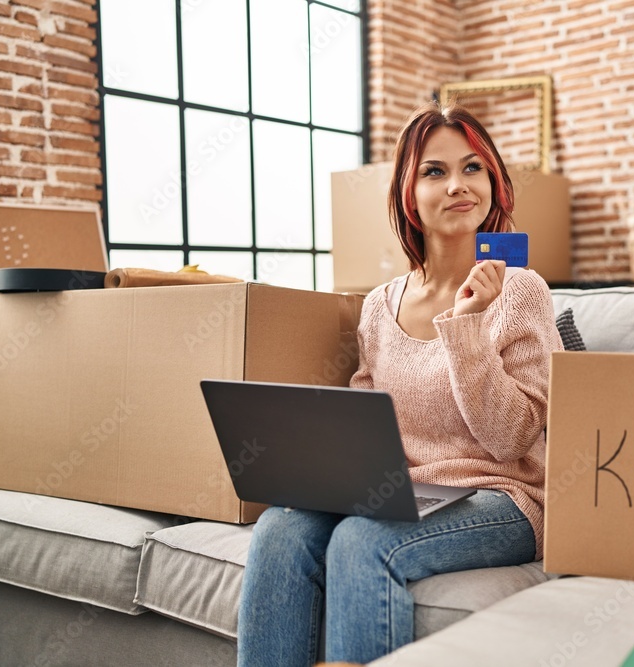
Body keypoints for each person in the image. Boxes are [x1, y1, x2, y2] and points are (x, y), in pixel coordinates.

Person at [237, 100, 562, 666]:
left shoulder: (522, 290)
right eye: (434, 171)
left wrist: (465, 327)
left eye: (473, 167)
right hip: (403, 493)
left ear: (493, 181)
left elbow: (512, 438)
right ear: (408, 194)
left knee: (364, 541)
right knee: (278, 531)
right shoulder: (379, 304)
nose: (458, 185)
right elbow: (366, 417)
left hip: (504, 497)